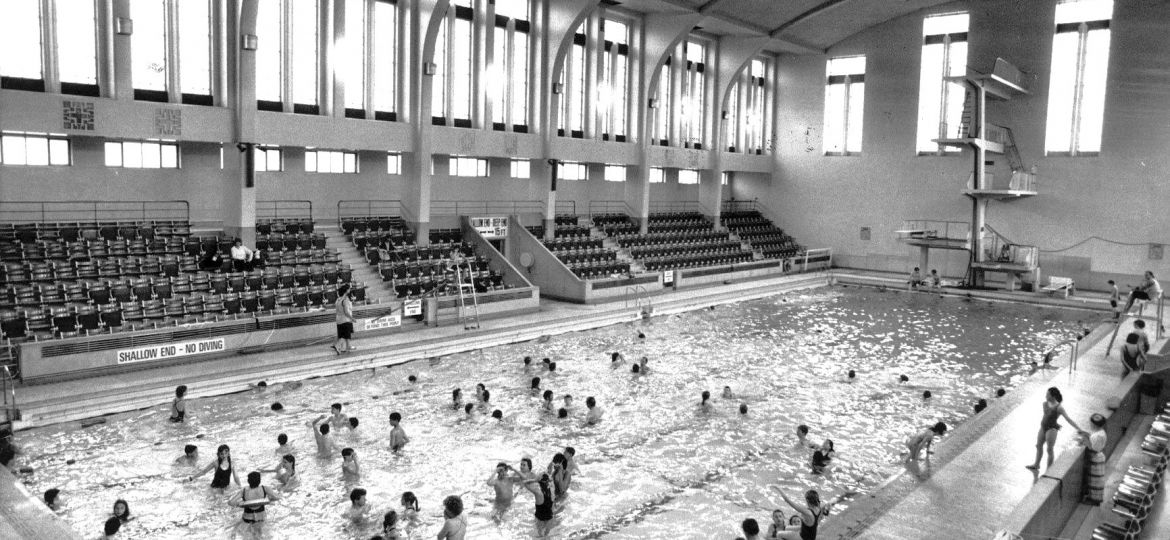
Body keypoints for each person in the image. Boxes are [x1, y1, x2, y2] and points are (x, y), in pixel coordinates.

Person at [1027, 387, 1087, 470]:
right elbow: (1047, 416)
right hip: (1043, 427)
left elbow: (1068, 419)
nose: (1046, 396)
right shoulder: (1045, 403)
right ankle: (1036, 464)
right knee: (1038, 445)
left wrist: (1078, 428)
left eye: (1047, 394)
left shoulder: (1059, 407)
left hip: (1051, 429)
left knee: (1049, 449)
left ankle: (1048, 470)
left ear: (1053, 396)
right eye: (1046, 394)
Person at [1083, 413, 1108, 504]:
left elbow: (1092, 448)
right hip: (1099, 457)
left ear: (1094, 424)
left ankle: (1094, 500)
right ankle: (1094, 498)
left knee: (1094, 481)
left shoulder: (1097, 436)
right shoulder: (1101, 432)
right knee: (1096, 480)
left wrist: (1085, 440)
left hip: (1095, 458)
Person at [332, 284, 356, 354]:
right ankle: (337, 345)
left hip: (339, 319)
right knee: (345, 335)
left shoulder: (338, 299)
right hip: (346, 319)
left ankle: (346, 347)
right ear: (346, 291)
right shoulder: (345, 300)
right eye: (348, 289)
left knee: (343, 334)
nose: (349, 290)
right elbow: (346, 312)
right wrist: (352, 318)